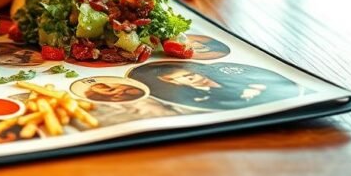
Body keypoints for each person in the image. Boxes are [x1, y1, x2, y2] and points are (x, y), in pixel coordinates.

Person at [128, 62, 302, 111]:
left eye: (190, 75)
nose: (193, 80)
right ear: (175, 83)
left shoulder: (244, 79)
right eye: (186, 79)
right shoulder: (198, 99)